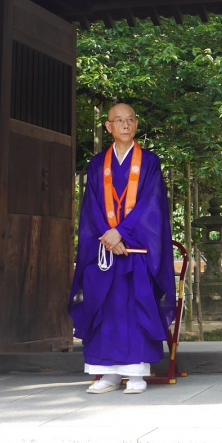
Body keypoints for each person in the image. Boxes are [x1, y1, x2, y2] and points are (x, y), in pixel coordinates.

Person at [70, 103, 175, 395]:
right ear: (109, 127)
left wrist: (122, 233)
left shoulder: (150, 162)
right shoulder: (96, 164)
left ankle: (137, 373)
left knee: (135, 307)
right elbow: (91, 206)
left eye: (130, 120)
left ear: (136, 125)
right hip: (104, 250)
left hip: (136, 251)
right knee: (102, 306)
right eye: (119, 120)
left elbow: (151, 206)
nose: (125, 125)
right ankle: (107, 374)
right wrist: (108, 236)